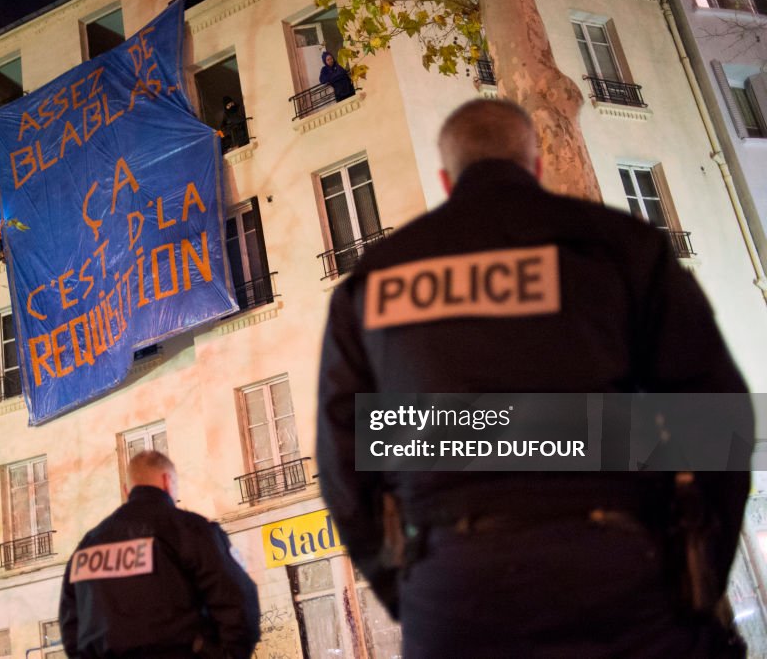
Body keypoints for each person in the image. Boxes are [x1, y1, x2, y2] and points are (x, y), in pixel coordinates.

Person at [316, 98, 752, 657]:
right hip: (618, 575)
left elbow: (342, 461)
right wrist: (697, 570)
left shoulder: (375, 279)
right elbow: (718, 418)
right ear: (537, 166)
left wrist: (411, 585)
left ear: (447, 181)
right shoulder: (620, 246)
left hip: (455, 589)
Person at [59, 450, 260, 658]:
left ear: (127, 490)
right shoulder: (191, 531)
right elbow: (237, 599)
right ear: (167, 481)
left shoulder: (88, 546)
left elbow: (71, 626)